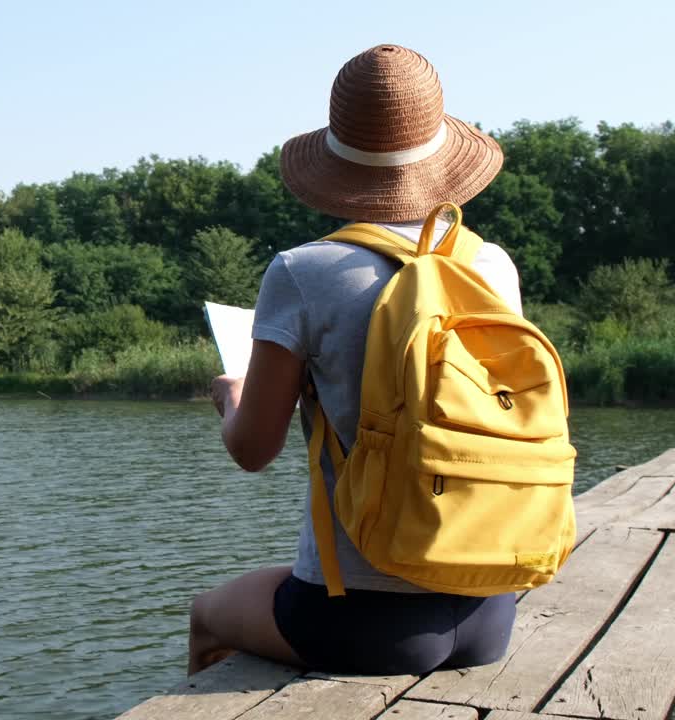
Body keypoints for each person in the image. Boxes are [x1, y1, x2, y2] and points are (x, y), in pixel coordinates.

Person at [189, 45, 520, 676]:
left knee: (208, 613)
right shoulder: (491, 264)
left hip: (361, 620)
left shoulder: (302, 271)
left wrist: (232, 396)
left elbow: (253, 450)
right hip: (490, 601)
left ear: (337, 160)